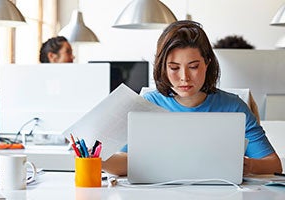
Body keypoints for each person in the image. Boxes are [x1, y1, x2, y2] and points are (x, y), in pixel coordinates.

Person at [102, 20, 282, 176]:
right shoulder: (146, 104)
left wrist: (247, 165)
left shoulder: (234, 106)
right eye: (174, 68)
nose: (184, 77)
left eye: (193, 66)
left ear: (207, 63)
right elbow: (127, 161)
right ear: (162, 68)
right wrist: (95, 160)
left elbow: (273, 164)